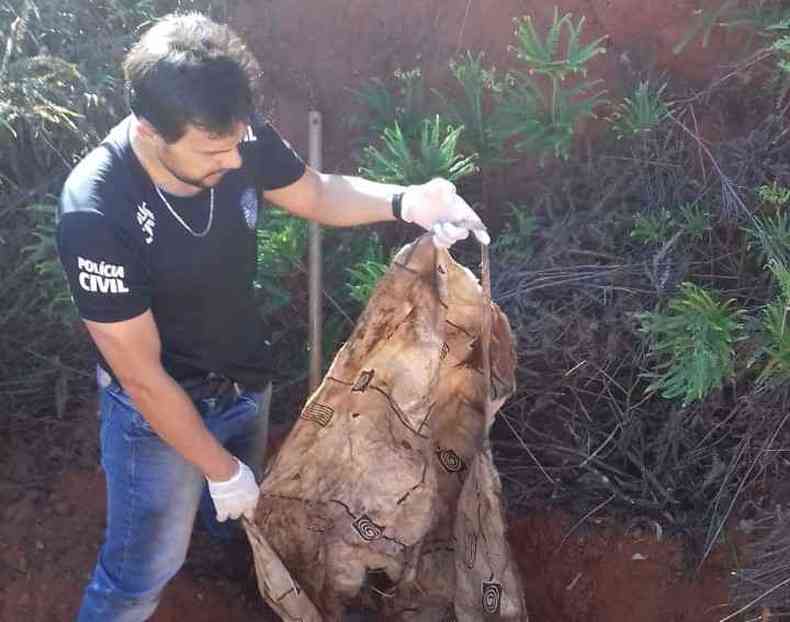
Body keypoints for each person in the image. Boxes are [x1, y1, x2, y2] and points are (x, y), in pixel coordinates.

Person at [56, 11, 488, 622]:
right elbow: (143, 378)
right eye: (213, 150)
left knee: (233, 518)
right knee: (142, 569)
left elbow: (313, 192)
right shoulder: (97, 214)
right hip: (155, 417)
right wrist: (219, 468)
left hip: (243, 377)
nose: (235, 162)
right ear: (150, 131)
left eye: (237, 142)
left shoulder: (235, 134)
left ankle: (225, 569)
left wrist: (407, 200)